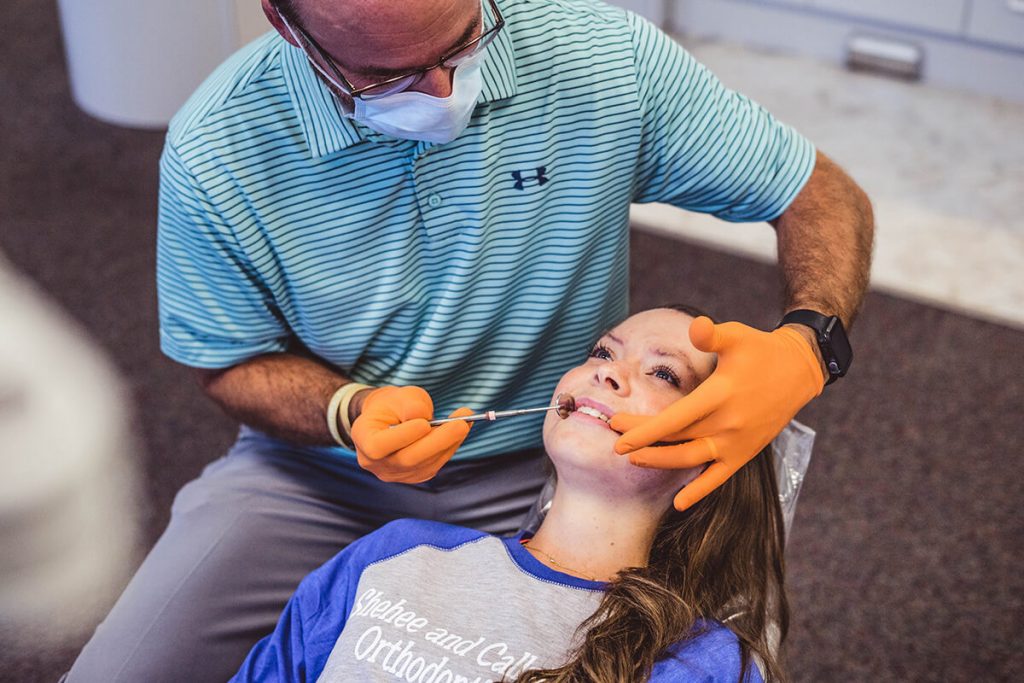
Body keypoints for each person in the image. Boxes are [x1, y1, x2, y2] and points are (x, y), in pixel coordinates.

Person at [68, 0, 872, 679]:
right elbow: (226, 360)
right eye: (390, 76)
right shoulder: (220, 147)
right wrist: (348, 412)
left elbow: (820, 193)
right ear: (285, 23)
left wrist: (810, 342)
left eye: (461, 44)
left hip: (540, 461)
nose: (444, 90)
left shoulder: (601, 61)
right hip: (316, 474)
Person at [231, 306, 786, 682]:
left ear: (712, 458)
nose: (608, 374)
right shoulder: (394, 552)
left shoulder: (704, 661)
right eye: (602, 352)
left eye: (665, 374)